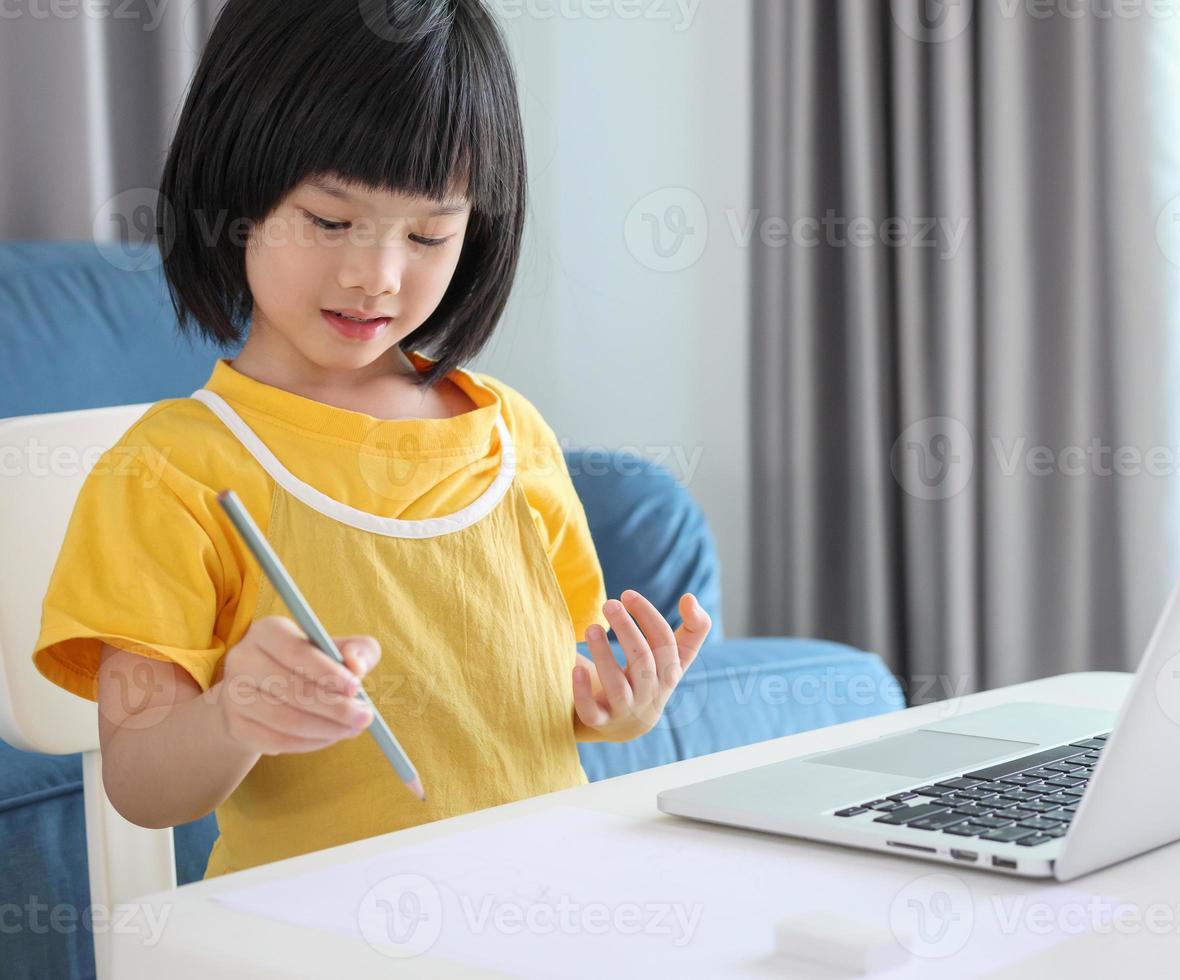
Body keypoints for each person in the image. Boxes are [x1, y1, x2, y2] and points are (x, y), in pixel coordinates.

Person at [31, 0, 710, 879]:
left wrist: (621, 706)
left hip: (539, 913)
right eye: (329, 220)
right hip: (312, 941)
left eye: (429, 233)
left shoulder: (510, 434)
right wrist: (237, 710)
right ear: (234, 191)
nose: (376, 275)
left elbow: (557, 704)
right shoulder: (171, 469)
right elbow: (141, 784)